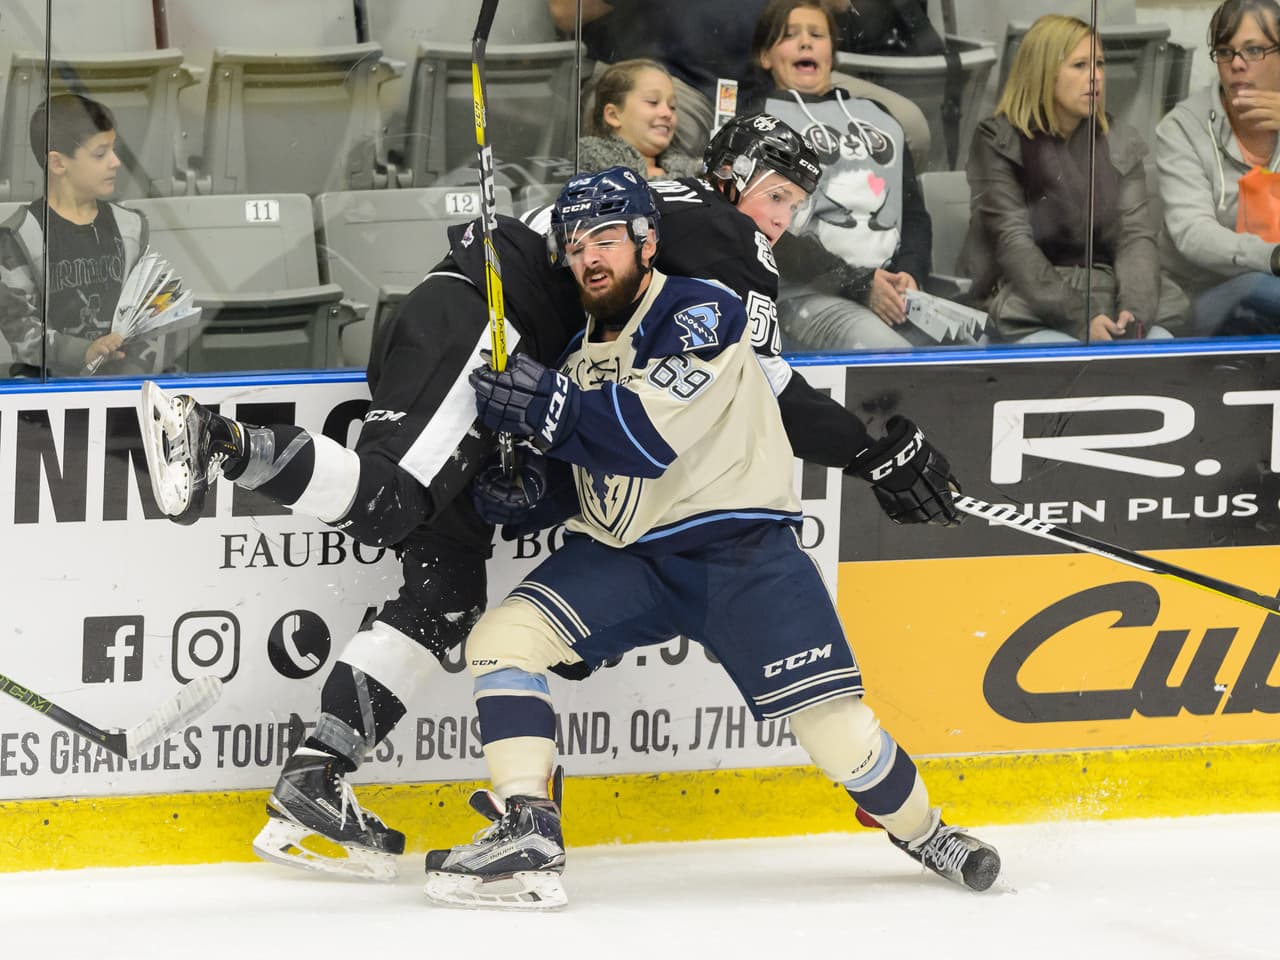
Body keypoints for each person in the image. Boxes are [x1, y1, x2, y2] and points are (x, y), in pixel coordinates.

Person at [138, 116, 950, 882]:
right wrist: (873, 452)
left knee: (448, 594)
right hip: (491, 334)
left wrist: (532, 478)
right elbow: (766, 387)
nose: (782, 219)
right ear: (730, 178)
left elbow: (605, 404)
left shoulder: (671, 230)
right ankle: (213, 436)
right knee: (388, 501)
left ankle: (318, 772)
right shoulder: (718, 236)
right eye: (776, 195)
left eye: (796, 206)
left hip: (475, 323)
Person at [421, 167, 1000, 910]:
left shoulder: (701, 312)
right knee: (503, 638)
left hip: (739, 552)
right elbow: (586, 469)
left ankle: (924, 830)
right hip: (625, 557)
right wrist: (531, 494)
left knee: (837, 734)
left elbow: (645, 437)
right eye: (574, 245)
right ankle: (528, 826)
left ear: (647, 240)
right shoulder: (571, 349)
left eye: (606, 237)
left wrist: (551, 408)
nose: (589, 256)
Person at [962, 15, 1187, 344]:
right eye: (1080, 65)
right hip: (1029, 300)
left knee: (1159, 342)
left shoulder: (1120, 141)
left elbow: (1135, 238)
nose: (1095, 77)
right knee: (1068, 360)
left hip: (1108, 292)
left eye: (1099, 64)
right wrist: (1081, 319)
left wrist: (1134, 311)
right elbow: (1013, 245)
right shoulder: (997, 140)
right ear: (1043, 72)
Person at [745, 0, 934, 351]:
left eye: (817, 34)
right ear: (765, 56)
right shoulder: (756, 123)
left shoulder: (879, 117)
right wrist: (861, 285)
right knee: (898, 360)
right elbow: (766, 233)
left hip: (893, 291)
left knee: (978, 356)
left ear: (832, 52)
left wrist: (911, 272)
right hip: (803, 294)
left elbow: (915, 214)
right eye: (790, 36)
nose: (806, 43)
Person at [548, 0, 929, 164]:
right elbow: (566, 12)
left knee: (904, 124)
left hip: (766, 73)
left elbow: (837, 6)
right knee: (669, 130)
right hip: (676, 82)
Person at [0, 94, 154, 377]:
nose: (116, 162)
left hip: (124, 388)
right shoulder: (20, 236)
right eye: (100, 154)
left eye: (114, 149)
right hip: (49, 400)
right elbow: (20, 328)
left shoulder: (131, 228)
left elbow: (148, 316)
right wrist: (82, 351)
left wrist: (133, 374)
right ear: (58, 164)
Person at [1157, 0, 1280, 338]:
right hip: (1204, 296)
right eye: (1226, 52)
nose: (1237, 64)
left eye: (1253, 50)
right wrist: (1271, 257)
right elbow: (1193, 233)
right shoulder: (1181, 128)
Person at [576, 59, 702, 180]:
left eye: (672, 106)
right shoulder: (590, 158)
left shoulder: (688, 168)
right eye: (653, 102)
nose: (667, 113)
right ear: (613, 115)